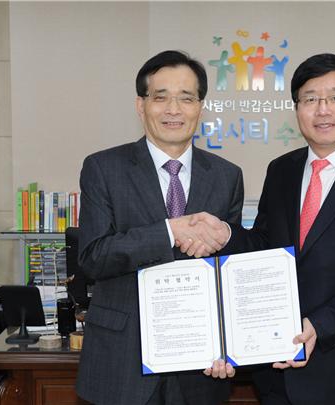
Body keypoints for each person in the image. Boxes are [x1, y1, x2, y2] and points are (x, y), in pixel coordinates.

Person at [189, 53, 335, 404]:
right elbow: (266, 244)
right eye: (310, 99)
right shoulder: (282, 170)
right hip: (277, 374)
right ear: (297, 109)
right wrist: (227, 235)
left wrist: (320, 325)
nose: (322, 110)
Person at [76, 50, 242, 405]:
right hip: (123, 361)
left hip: (202, 366)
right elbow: (92, 257)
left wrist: (232, 342)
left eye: (186, 98)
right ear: (141, 105)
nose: (173, 109)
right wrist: (170, 231)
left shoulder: (227, 176)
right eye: (161, 97)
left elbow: (228, 272)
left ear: (201, 107)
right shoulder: (103, 168)